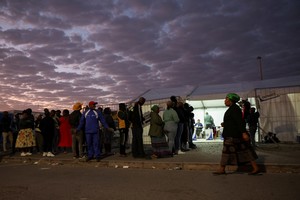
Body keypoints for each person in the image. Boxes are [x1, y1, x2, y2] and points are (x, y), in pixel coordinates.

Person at [213, 93, 259, 175]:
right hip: (232, 134)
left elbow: (239, 122)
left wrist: (244, 133)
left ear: (231, 101)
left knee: (228, 152)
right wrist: (225, 123)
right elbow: (233, 121)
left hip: (233, 135)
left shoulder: (235, 109)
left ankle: (222, 169)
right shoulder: (233, 109)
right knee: (244, 150)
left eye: (226, 99)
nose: (225, 101)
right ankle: (255, 167)